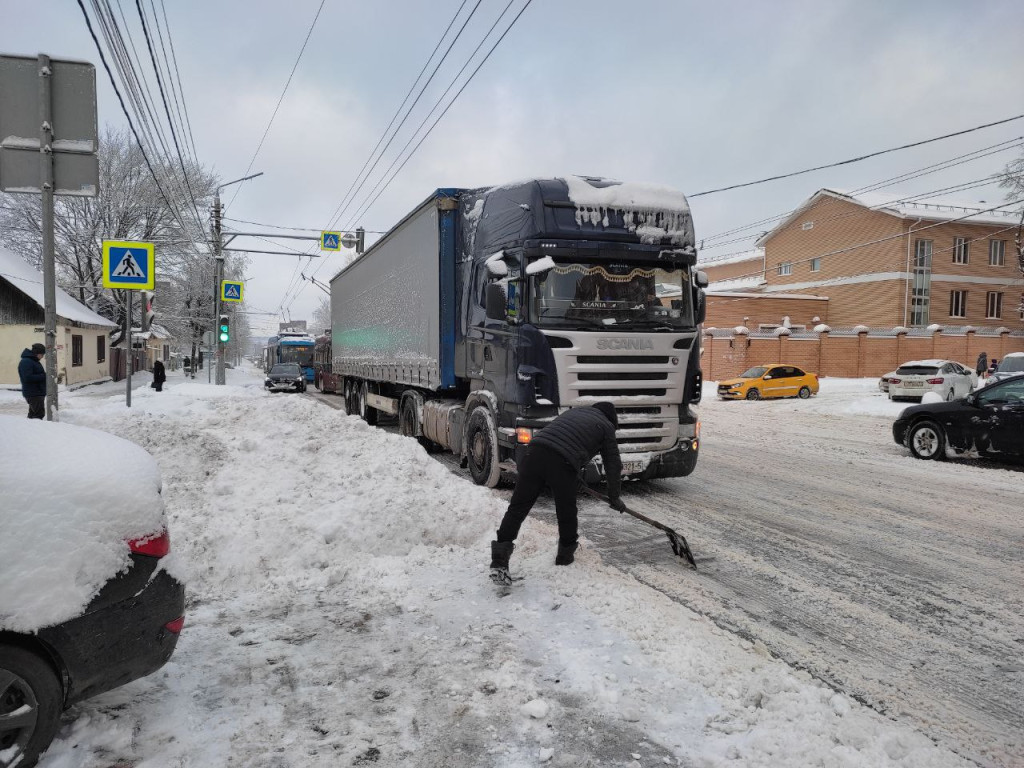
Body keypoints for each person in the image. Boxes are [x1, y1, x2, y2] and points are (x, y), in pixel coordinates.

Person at [489, 402, 623, 584]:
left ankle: (499, 561)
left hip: (534, 453)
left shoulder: (575, 412)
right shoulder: (606, 426)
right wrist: (615, 497)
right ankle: (565, 559)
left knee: (517, 508)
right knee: (566, 511)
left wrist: (572, 477)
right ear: (611, 419)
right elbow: (613, 465)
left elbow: (561, 442)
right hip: (561, 461)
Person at [18, 343, 47, 419]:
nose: (42, 356)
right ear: (37, 353)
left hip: (37, 392)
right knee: (38, 415)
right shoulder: (26, 362)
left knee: (33, 415)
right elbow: (27, 377)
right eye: (42, 354)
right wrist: (44, 376)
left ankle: (29, 429)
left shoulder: (33, 361)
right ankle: (36, 430)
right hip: (33, 393)